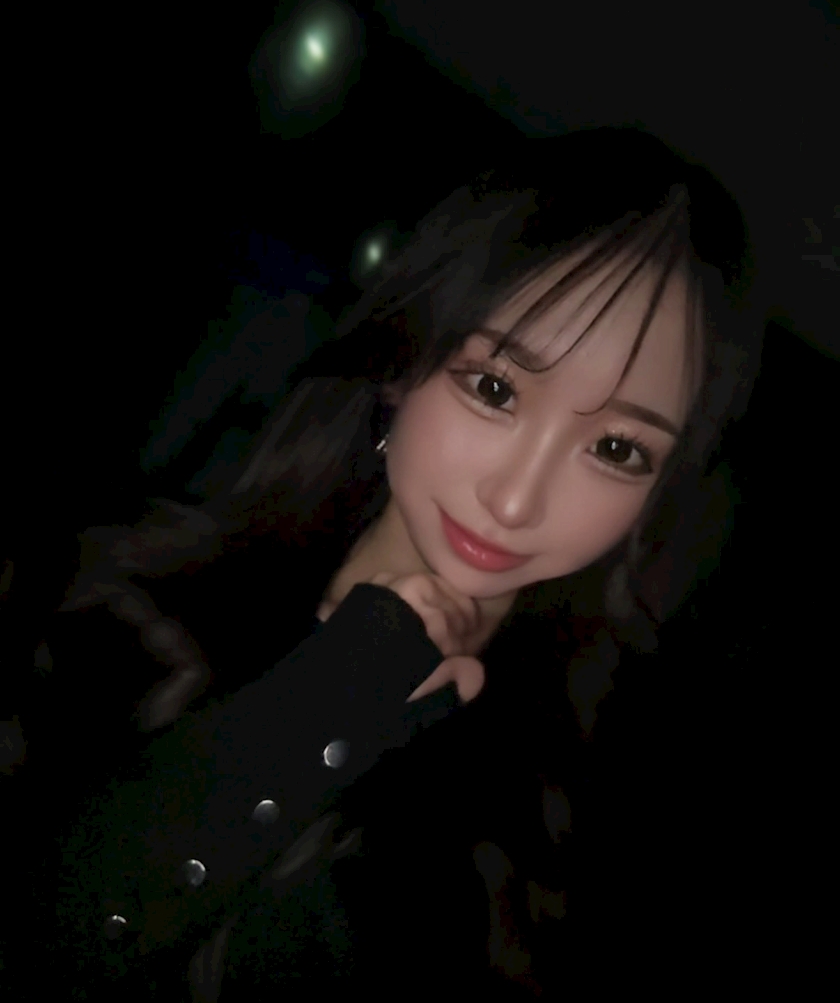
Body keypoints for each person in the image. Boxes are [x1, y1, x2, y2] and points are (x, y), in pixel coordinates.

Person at [37, 126, 763, 998]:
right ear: (402, 362)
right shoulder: (108, 600)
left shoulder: (580, 837)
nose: (516, 501)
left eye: (616, 448)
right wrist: (338, 687)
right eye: (494, 388)